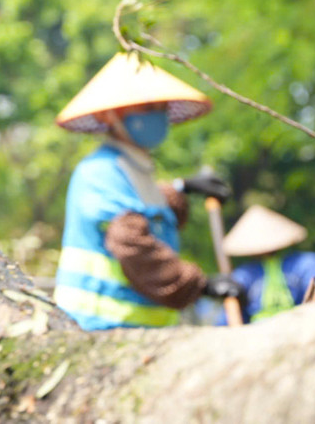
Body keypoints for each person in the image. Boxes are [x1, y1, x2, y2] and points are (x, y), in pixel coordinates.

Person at [53, 52, 243, 330]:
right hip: (99, 325)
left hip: (142, 329)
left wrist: (183, 187)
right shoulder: (99, 171)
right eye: (145, 107)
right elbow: (131, 243)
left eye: (160, 106)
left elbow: (150, 208)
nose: (156, 114)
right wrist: (200, 285)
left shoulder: (135, 168)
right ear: (109, 114)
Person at [218, 204, 315, 323]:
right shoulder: (243, 275)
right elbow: (227, 319)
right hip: (261, 331)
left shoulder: (305, 263)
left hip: (301, 327)